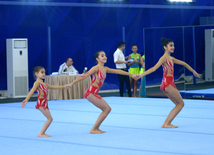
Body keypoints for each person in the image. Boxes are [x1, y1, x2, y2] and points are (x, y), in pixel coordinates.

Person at [65, 51, 137, 134]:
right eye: (102, 56)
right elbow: (84, 76)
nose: (105, 57)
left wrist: (131, 74)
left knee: (107, 109)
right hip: (90, 93)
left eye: (105, 55)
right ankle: (93, 129)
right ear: (97, 59)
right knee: (106, 109)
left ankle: (96, 128)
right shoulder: (95, 68)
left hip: (95, 93)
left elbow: (118, 71)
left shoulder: (105, 69)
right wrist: (72, 83)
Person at [137, 38, 201, 128]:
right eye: (171, 45)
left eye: (173, 45)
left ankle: (166, 123)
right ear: (165, 47)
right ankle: (167, 123)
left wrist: (193, 71)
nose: (173, 47)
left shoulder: (171, 58)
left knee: (178, 104)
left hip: (168, 83)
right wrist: (142, 74)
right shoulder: (163, 58)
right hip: (168, 83)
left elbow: (184, 64)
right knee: (181, 104)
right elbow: (154, 68)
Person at [21, 66, 66, 137]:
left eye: (44, 72)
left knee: (50, 118)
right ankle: (41, 133)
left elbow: (54, 87)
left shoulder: (44, 84)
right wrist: (26, 99)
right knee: (50, 118)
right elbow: (31, 91)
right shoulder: (37, 83)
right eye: (42, 72)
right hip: (41, 103)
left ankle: (42, 133)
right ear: (36, 74)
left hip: (45, 103)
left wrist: (64, 86)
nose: (44, 74)